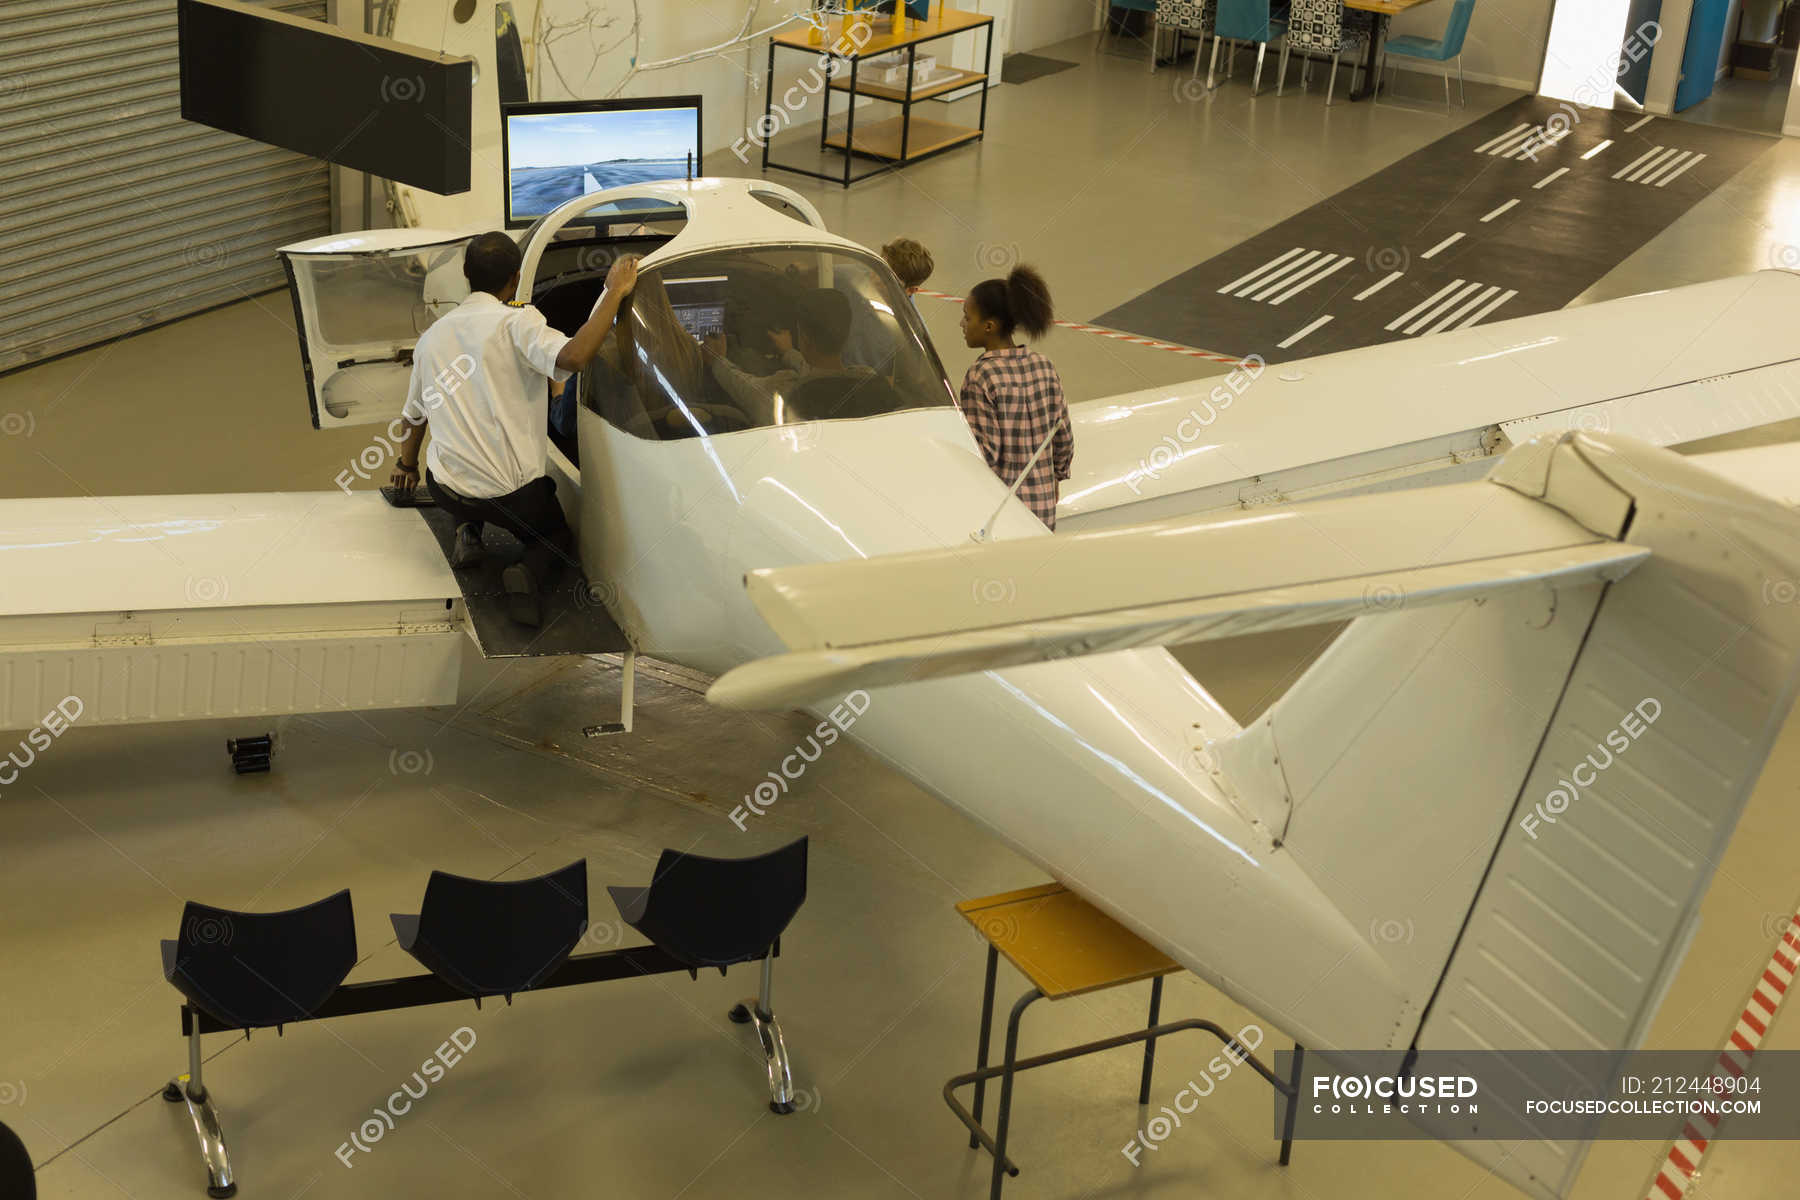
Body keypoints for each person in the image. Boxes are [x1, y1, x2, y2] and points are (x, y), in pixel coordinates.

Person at [390, 232, 638, 626]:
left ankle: (468, 532)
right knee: (556, 538)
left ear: (466, 275)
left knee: (460, 450)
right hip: (513, 499)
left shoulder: (431, 337)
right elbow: (574, 356)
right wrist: (613, 292)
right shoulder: (519, 321)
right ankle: (527, 575)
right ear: (515, 279)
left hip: (446, 489)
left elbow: (414, 416)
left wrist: (406, 468)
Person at [957, 264, 1072, 530]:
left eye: (967, 317)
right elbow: (1063, 436)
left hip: (1002, 514)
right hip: (1043, 510)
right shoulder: (1044, 365)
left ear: (989, 326)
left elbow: (986, 453)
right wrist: (1056, 475)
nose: (962, 324)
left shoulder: (980, 376)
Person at [703, 287, 880, 424]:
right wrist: (789, 352)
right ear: (847, 333)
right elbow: (822, 373)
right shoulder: (867, 378)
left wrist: (717, 361)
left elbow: (744, 388)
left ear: (803, 337)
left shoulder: (786, 391)